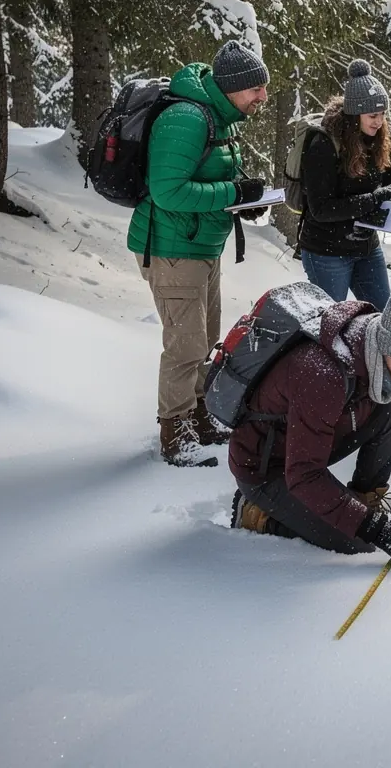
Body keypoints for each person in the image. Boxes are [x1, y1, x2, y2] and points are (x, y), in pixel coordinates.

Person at [229, 269, 391, 564]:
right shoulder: (322, 372)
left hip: (304, 447)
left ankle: (362, 502)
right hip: (267, 468)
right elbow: (303, 475)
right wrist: (373, 529)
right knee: (359, 543)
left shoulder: (379, 358)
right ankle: (256, 514)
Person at [128, 40, 269, 468]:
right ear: (229, 88)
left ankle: (201, 417)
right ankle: (176, 433)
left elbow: (208, 178)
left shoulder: (218, 117)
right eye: (255, 90)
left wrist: (245, 199)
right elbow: (168, 190)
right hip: (173, 248)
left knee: (205, 341)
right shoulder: (187, 118)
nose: (262, 97)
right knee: (184, 346)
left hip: (201, 246)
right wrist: (232, 192)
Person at [298, 59, 391, 311]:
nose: (379, 121)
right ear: (355, 114)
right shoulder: (324, 145)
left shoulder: (378, 140)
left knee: (382, 317)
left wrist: (387, 203)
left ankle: (371, 353)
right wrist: (373, 200)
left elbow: (390, 184)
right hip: (326, 251)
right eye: (372, 115)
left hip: (366, 246)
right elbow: (321, 209)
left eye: (383, 115)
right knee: (330, 326)